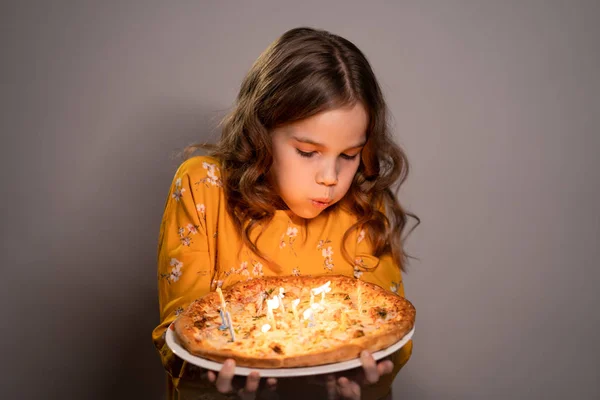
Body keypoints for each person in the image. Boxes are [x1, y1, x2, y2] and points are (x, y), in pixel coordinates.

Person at [152, 27, 418, 400]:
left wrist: (369, 384)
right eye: (308, 152)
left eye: (348, 155)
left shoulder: (362, 204)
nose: (330, 178)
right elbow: (182, 330)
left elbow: (391, 334)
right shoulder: (203, 187)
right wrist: (212, 382)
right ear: (262, 130)